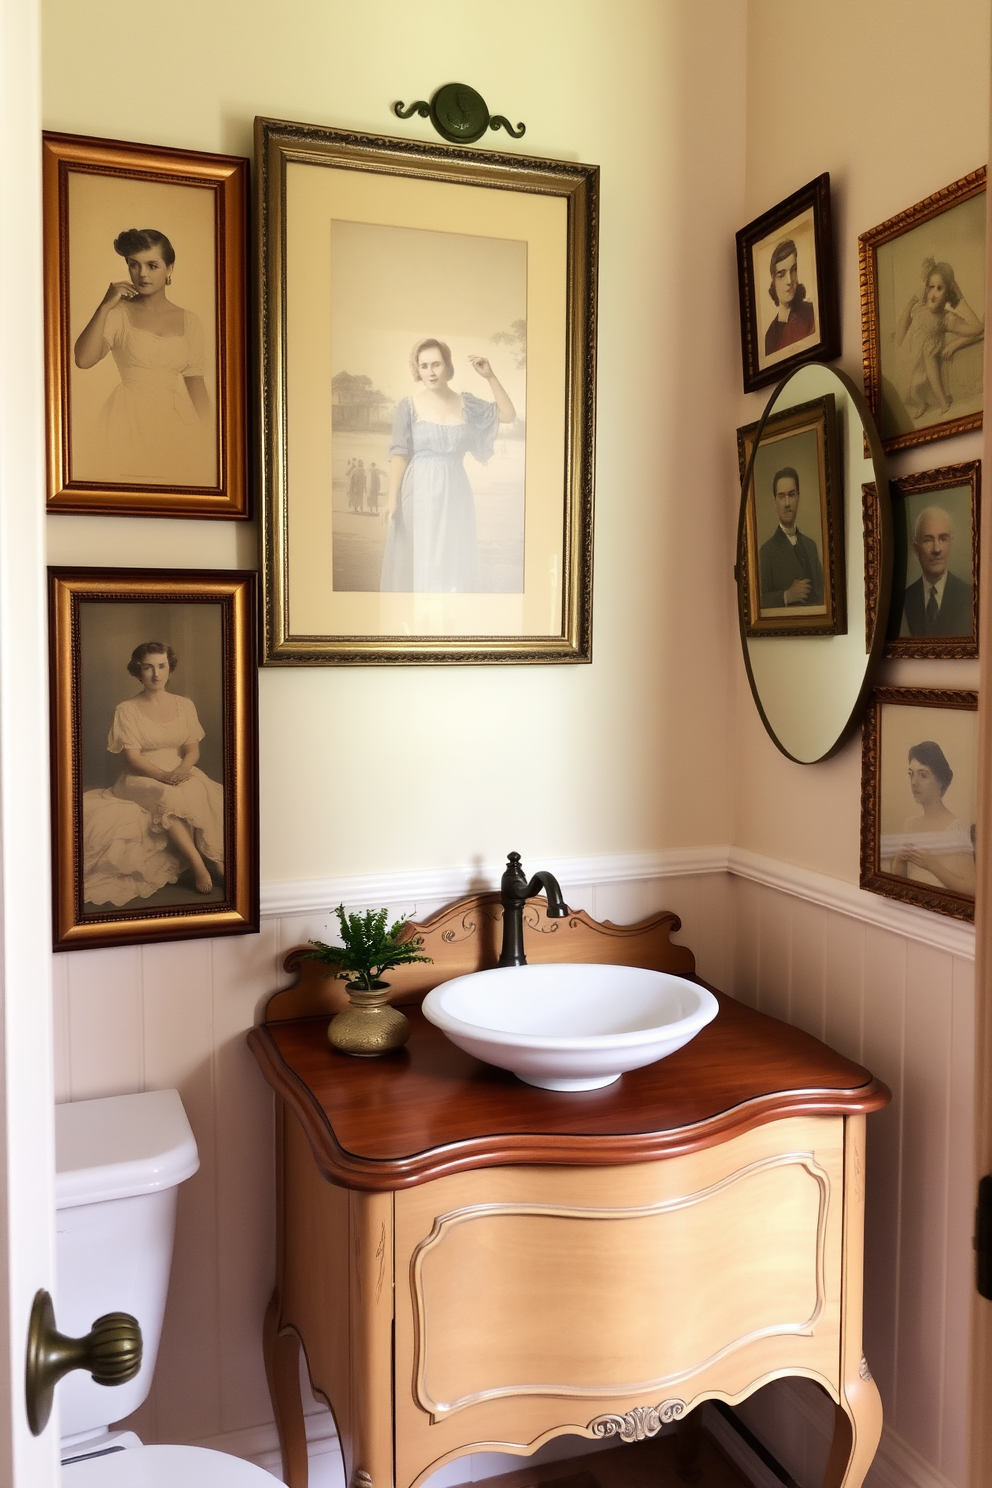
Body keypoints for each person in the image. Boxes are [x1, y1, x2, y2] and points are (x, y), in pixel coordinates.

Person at [82, 642, 224, 907]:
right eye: (148, 668)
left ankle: (215, 860)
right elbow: (133, 759)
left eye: (162, 666)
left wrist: (181, 770)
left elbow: (192, 750)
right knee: (167, 794)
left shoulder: (184, 705)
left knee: (198, 788)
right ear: (138, 670)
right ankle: (197, 865)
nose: (156, 674)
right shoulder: (127, 709)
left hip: (179, 769)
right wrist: (163, 776)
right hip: (141, 777)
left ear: (170, 668)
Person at [73, 229, 213, 486]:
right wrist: (104, 306)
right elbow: (83, 360)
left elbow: (196, 386)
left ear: (169, 269)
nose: (142, 274)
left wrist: (213, 441)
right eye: (134, 265)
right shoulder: (117, 314)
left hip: (173, 421)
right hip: (126, 417)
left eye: (152, 265)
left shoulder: (189, 321)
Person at [380, 337, 515, 592]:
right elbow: (399, 454)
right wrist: (391, 499)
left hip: (455, 493)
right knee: (421, 560)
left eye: (436, 364)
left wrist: (490, 376)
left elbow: (508, 414)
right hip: (417, 493)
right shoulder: (408, 406)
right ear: (417, 370)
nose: (431, 372)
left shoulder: (467, 404)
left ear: (447, 366)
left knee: (451, 561)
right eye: (424, 366)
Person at [895, 258, 984, 422]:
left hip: (923, 364)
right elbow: (902, 332)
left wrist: (959, 299)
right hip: (908, 360)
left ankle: (942, 401)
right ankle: (921, 404)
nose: (933, 293)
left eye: (940, 288)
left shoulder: (946, 318)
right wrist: (911, 303)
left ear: (948, 294)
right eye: (931, 287)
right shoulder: (919, 309)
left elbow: (978, 328)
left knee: (919, 380)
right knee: (907, 391)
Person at [885, 740, 975, 896]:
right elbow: (900, 885)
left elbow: (972, 889)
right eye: (911, 774)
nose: (914, 782)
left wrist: (932, 865)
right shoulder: (911, 824)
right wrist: (899, 858)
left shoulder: (955, 830)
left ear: (940, 780)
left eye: (923, 775)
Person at [900, 505, 973, 637]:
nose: (936, 549)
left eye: (943, 538)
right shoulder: (904, 599)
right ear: (916, 549)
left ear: (951, 543)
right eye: (928, 540)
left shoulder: (970, 596)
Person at [758, 466, 824, 609]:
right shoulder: (767, 551)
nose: (787, 503)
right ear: (775, 501)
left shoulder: (810, 546)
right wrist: (786, 596)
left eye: (792, 495)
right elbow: (757, 601)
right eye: (782, 496)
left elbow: (824, 593)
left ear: (798, 497)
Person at [764, 239, 816, 356]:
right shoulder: (770, 335)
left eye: (793, 270)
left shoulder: (811, 312)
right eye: (781, 275)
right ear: (774, 281)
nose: (789, 281)